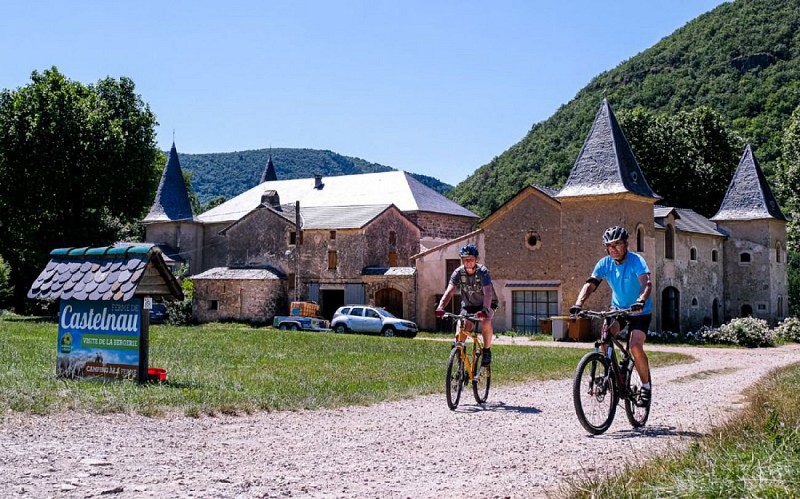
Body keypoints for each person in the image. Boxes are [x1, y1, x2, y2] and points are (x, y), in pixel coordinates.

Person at [569, 226, 653, 405]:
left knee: (635, 346)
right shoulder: (604, 263)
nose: (614, 249)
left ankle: (645, 387)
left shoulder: (636, 261)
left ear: (626, 244)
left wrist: (641, 300)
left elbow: (646, 283)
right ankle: (610, 373)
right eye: (610, 246)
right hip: (618, 309)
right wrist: (578, 304)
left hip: (640, 311)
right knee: (605, 337)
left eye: (618, 244)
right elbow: (591, 284)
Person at [435, 243, 496, 366]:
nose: (468, 262)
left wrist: (485, 310)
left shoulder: (483, 272)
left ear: (476, 259)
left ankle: (487, 350)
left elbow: (488, 293)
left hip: (486, 304)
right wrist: (441, 307)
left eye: (471, 259)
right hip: (468, 305)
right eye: (465, 259)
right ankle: (461, 362)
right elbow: (449, 291)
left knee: (486, 321)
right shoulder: (458, 273)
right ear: (462, 260)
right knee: (461, 329)